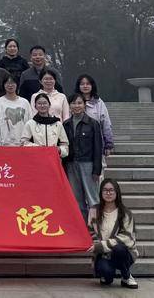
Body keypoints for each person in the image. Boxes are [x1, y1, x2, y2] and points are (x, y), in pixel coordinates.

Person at [89, 179, 139, 288]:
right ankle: (107, 275)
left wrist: (101, 245)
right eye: (105, 190)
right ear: (101, 193)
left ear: (117, 193)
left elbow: (126, 238)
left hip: (123, 252)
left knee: (119, 248)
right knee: (106, 276)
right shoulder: (94, 211)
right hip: (104, 254)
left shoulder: (126, 213)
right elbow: (91, 232)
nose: (108, 193)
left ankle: (126, 276)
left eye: (111, 190)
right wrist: (96, 245)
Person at [64, 93, 103, 221]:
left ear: (85, 105)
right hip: (71, 165)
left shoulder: (93, 123)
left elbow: (98, 147)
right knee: (77, 198)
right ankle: (83, 230)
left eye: (80, 103)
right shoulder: (66, 124)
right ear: (69, 106)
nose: (77, 106)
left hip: (88, 164)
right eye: (74, 103)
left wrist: (97, 169)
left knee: (93, 198)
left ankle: (96, 227)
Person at [21, 92, 69, 158]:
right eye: (39, 103)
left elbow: (65, 145)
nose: (42, 106)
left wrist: (59, 150)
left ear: (49, 105)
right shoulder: (30, 124)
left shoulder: (57, 124)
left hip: (53, 160)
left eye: (45, 103)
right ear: (35, 106)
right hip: (36, 159)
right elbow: (23, 143)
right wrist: (38, 148)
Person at [76, 74, 114, 156]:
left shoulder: (99, 102)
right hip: (77, 144)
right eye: (82, 84)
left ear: (92, 85)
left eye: (88, 84)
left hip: (96, 142)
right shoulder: (73, 102)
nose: (85, 86)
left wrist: (108, 144)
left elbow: (106, 123)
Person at [0, 76, 32, 146]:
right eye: (7, 83)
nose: (10, 85)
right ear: (4, 85)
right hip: (4, 144)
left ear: (17, 85)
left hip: (23, 144)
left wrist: (27, 141)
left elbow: (30, 122)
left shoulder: (24, 102)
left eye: (13, 83)